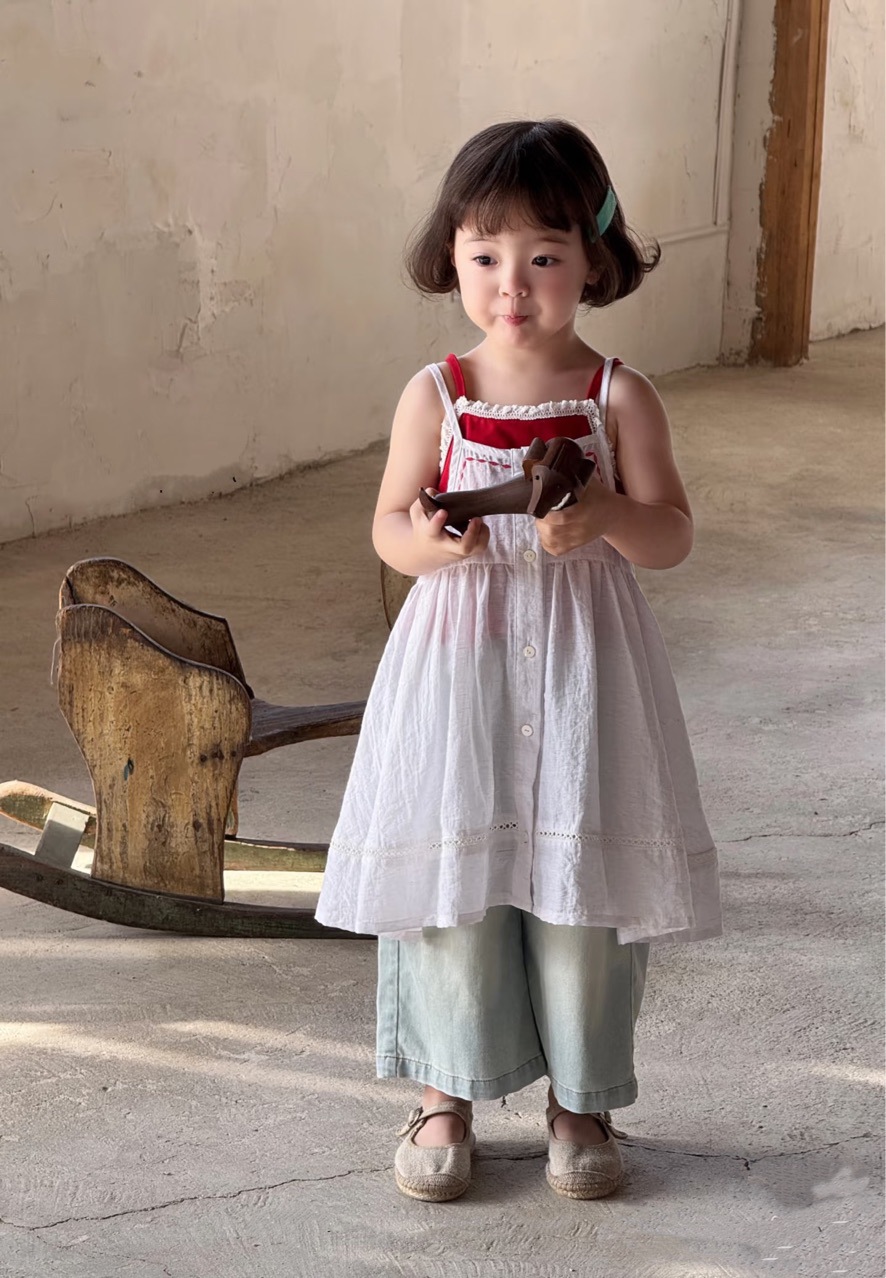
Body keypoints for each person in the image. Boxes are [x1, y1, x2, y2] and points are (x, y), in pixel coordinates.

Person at [315, 119, 721, 1203]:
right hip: (460, 671)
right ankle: (441, 1092)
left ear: (593, 259)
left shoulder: (619, 395)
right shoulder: (436, 394)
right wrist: (429, 546)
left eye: (543, 256)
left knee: (580, 880)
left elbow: (671, 534)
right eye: (485, 254)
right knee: (454, 873)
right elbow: (389, 525)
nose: (512, 284)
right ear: (450, 254)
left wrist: (607, 517)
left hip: (585, 673)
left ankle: (580, 1100)